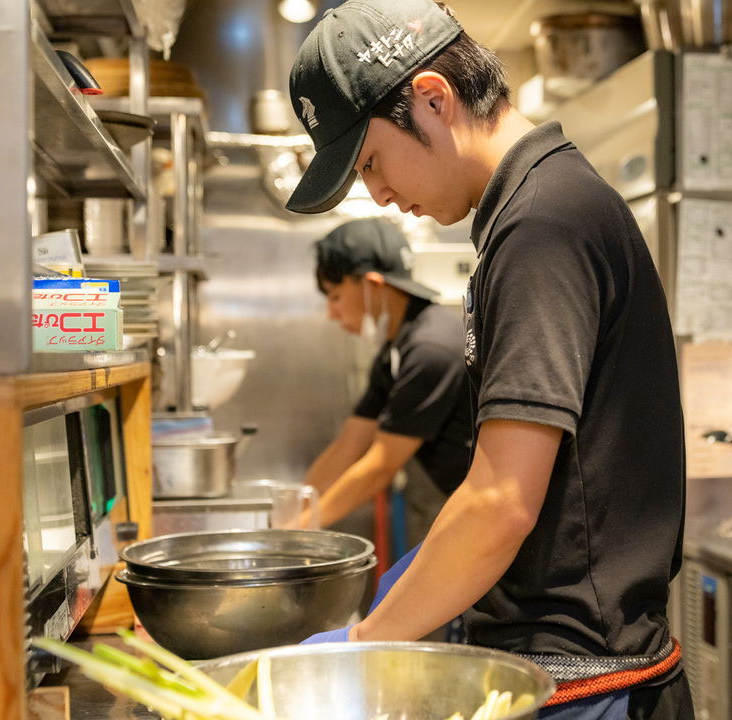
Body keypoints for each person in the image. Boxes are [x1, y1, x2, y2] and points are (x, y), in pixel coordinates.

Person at [289, 2, 693, 719]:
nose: (377, 194)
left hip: (586, 689)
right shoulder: (530, 213)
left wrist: (362, 648)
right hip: (561, 673)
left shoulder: (542, 227)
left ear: (434, 99)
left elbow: (502, 503)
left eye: (372, 162)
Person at [301, 217, 474, 565]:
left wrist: (302, 528)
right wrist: (301, 504)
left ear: (372, 284)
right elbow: (349, 443)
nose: (331, 314)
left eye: (335, 296)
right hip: (450, 502)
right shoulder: (396, 349)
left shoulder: (431, 349)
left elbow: (381, 464)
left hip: (480, 513)